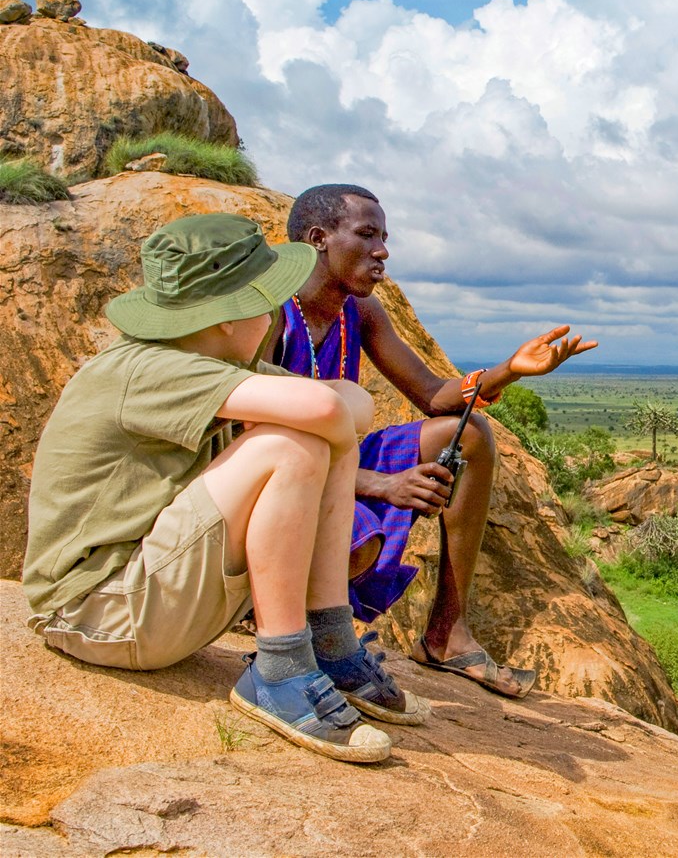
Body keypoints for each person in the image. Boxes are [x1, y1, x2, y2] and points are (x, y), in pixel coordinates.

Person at [23, 213, 429, 764]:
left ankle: (329, 642)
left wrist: (329, 420)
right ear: (226, 318)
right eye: (266, 304)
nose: (273, 316)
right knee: (293, 444)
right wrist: (327, 420)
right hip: (99, 614)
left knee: (312, 433)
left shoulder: (210, 363)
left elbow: (354, 406)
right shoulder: (148, 370)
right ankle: (281, 669)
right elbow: (330, 406)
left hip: (146, 603)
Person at [275, 183, 596, 698]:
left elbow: (433, 395)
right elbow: (250, 440)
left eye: (385, 237)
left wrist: (510, 370)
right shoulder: (271, 313)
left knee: (467, 432)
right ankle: (290, 636)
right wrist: (381, 484)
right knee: (357, 540)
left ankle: (447, 633)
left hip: (337, 464)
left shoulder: (360, 314)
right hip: (276, 471)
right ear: (318, 238)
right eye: (367, 235)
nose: (382, 251)